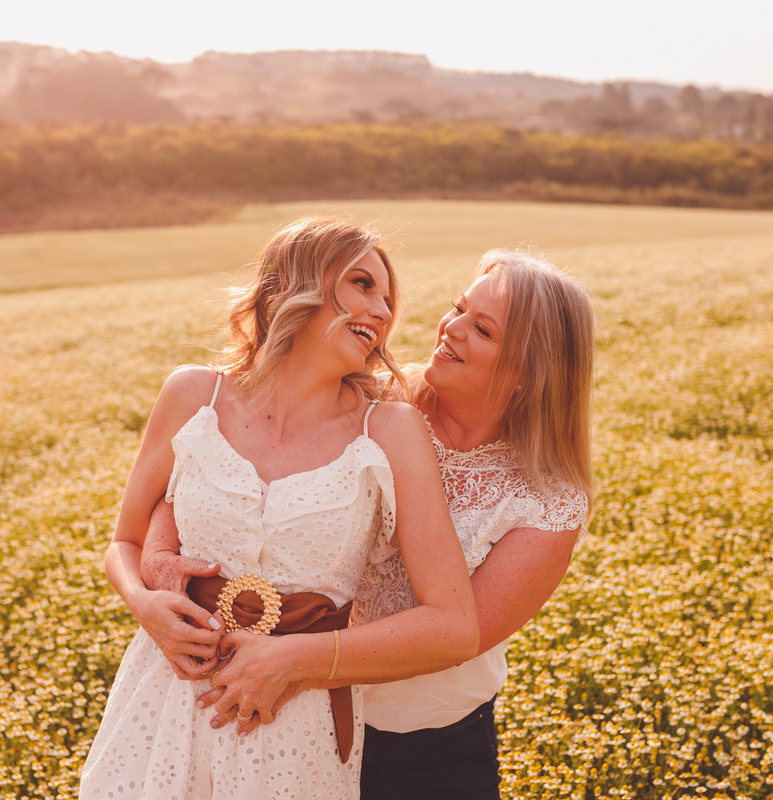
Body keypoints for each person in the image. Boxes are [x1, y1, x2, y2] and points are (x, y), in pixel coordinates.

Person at [142, 248, 595, 800]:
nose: (450, 328)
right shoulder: (369, 401)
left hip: (424, 752)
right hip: (287, 718)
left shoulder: (549, 500)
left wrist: (291, 662)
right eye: (458, 308)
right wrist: (158, 555)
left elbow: (453, 639)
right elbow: (215, 473)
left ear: (529, 372)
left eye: (482, 329)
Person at [79, 216, 479, 800]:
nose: (382, 311)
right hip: (164, 695)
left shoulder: (391, 430)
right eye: (363, 284)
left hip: (295, 719)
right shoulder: (192, 394)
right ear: (294, 284)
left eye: (388, 300)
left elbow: (453, 627)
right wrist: (145, 606)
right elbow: (126, 542)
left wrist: (294, 658)